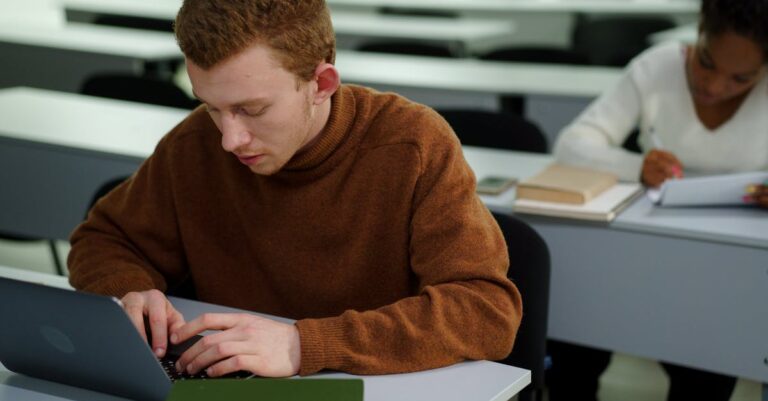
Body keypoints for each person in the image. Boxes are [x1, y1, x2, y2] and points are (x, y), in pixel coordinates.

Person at [67, 0, 522, 379]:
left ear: (321, 85)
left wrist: (305, 345)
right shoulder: (195, 144)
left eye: (252, 109)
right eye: (210, 107)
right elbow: (102, 239)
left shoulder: (413, 145)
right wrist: (130, 291)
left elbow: (484, 310)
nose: (229, 139)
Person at [550, 0, 768, 399]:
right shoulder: (658, 67)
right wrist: (637, 166)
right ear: (699, 32)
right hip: (644, 254)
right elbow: (571, 145)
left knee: (704, 376)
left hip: (727, 271)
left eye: (741, 79)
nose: (715, 87)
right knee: (575, 350)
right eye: (706, 62)